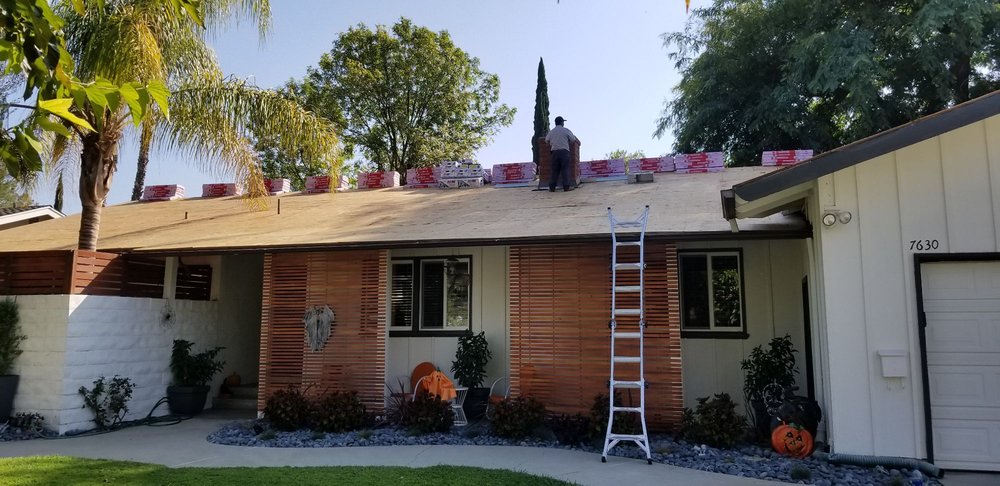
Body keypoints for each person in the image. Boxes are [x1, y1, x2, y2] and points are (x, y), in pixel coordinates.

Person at [544, 116, 579, 192]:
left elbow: (546, 140)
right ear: (562, 122)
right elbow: (573, 139)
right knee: (565, 169)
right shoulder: (565, 130)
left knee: (554, 170)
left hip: (554, 153)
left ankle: (552, 187)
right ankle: (566, 187)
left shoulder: (552, 132)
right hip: (564, 152)